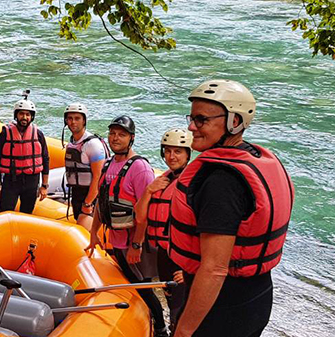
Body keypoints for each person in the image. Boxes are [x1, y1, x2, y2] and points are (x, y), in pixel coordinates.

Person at [168, 80, 294, 337]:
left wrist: (184, 331)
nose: (191, 127)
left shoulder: (221, 182)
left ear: (234, 122)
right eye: (191, 118)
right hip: (256, 296)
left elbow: (215, 268)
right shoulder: (255, 158)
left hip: (223, 307)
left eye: (201, 120)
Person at [86, 115, 167, 337]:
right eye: (112, 133)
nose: (115, 138)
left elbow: (145, 213)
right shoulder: (109, 164)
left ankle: (160, 328)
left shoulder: (140, 168)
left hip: (134, 242)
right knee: (131, 282)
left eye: (121, 134)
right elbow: (102, 203)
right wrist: (93, 233)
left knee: (144, 287)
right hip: (117, 238)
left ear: (131, 138)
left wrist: (137, 245)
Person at [134, 128, 193, 332]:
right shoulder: (162, 181)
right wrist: (149, 190)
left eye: (178, 151)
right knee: (172, 304)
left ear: (187, 154)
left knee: (181, 309)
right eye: (167, 151)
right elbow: (140, 216)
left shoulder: (193, 184)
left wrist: (190, 269)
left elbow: (202, 232)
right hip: (164, 255)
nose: (171, 156)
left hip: (183, 259)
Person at [0, 98, 50, 214]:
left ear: (31, 117)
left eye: (28, 114)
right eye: (21, 114)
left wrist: (44, 186)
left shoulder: (38, 134)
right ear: (16, 115)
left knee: (27, 213)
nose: (24, 117)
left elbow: (45, 159)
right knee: (6, 212)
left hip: (31, 181)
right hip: (11, 180)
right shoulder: (5, 134)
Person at [62, 103, 108, 230]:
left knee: (86, 232)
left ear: (84, 120)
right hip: (77, 193)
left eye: (77, 118)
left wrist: (88, 203)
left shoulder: (93, 145)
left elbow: (98, 177)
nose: (73, 122)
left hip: (91, 196)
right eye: (70, 118)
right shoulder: (73, 142)